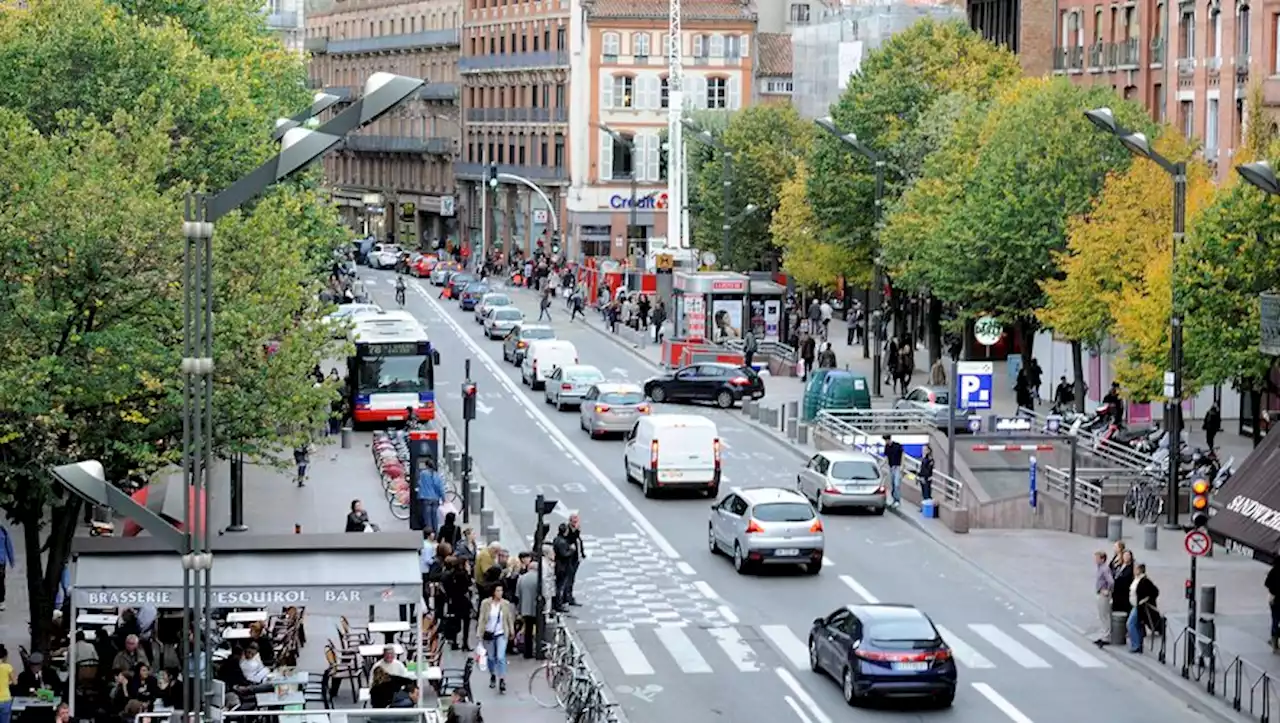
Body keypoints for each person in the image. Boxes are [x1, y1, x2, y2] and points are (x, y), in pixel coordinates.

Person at [476, 584, 515, 694]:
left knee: (500, 656)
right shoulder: (485, 604)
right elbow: (482, 618)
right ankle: (493, 674)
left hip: (501, 633)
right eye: (498, 590)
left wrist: (512, 631)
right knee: (491, 658)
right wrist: (479, 633)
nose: (500, 593)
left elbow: (509, 619)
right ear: (493, 592)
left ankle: (502, 679)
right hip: (489, 633)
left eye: (501, 590)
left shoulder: (505, 604)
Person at [1128, 563, 1159, 652]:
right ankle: (1139, 644)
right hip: (1134, 605)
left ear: (1139, 570)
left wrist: (1145, 600)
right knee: (1138, 625)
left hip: (1139, 606)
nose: (1134, 571)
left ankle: (1136, 644)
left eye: (1135, 569)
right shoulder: (1136, 579)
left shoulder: (1144, 581)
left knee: (1130, 624)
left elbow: (1155, 592)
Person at [1091, 551, 1115, 647]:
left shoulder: (1104, 569)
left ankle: (1106, 636)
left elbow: (1111, 581)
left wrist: (1107, 590)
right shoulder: (1100, 568)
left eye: (1097, 558)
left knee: (1104, 615)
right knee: (1101, 615)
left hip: (1103, 595)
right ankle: (1104, 634)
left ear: (1102, 559)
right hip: (1100, 593)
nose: (1095, 560)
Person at [517, 560, 540, 659]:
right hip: (537, 608)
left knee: (528, 631)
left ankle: (527, 652)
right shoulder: (539, 578)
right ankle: (538, 650)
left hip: (525, 608)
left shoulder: (521, 578)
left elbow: (518, 594)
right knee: (539, 630)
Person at [417, 459, 446, 535]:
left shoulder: (423, 473)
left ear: (426, 465)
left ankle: (429, 535)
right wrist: (443, 498)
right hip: (435, 498)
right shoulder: (437, 475)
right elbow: (440, 488)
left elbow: (419, 483)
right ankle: (436, 534)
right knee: (435, 518)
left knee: (427, 519)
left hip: (426, 498)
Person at [564, 514, 586, 606]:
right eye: (574, 521)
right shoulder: (569, 531)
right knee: (569, 578)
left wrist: (582, 554)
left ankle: (568, 596)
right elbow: (572, 540)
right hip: (571, 559)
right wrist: (576, 531)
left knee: (571, 578)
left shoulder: (576, 532)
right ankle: (567, 597)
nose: (576, 524)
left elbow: (579, 542)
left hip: (576, 558)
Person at [883, 435, 904, 508]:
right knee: (892, 484)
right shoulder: (887, 447)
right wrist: (881, 465)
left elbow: (903, 455)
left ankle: (897, 500)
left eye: (886, 440)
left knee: (896, 484)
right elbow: (886, 457)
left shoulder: (897, 446)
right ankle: (894, 499)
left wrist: (902, 465)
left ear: (889, 439)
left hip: (897, 466)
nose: (886, 442)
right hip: (891, 467)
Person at [0, 645, 13, 723]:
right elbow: (15, 682)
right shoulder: (8, 667)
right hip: (5, 699)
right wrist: (8, 682)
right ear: (5, 656)